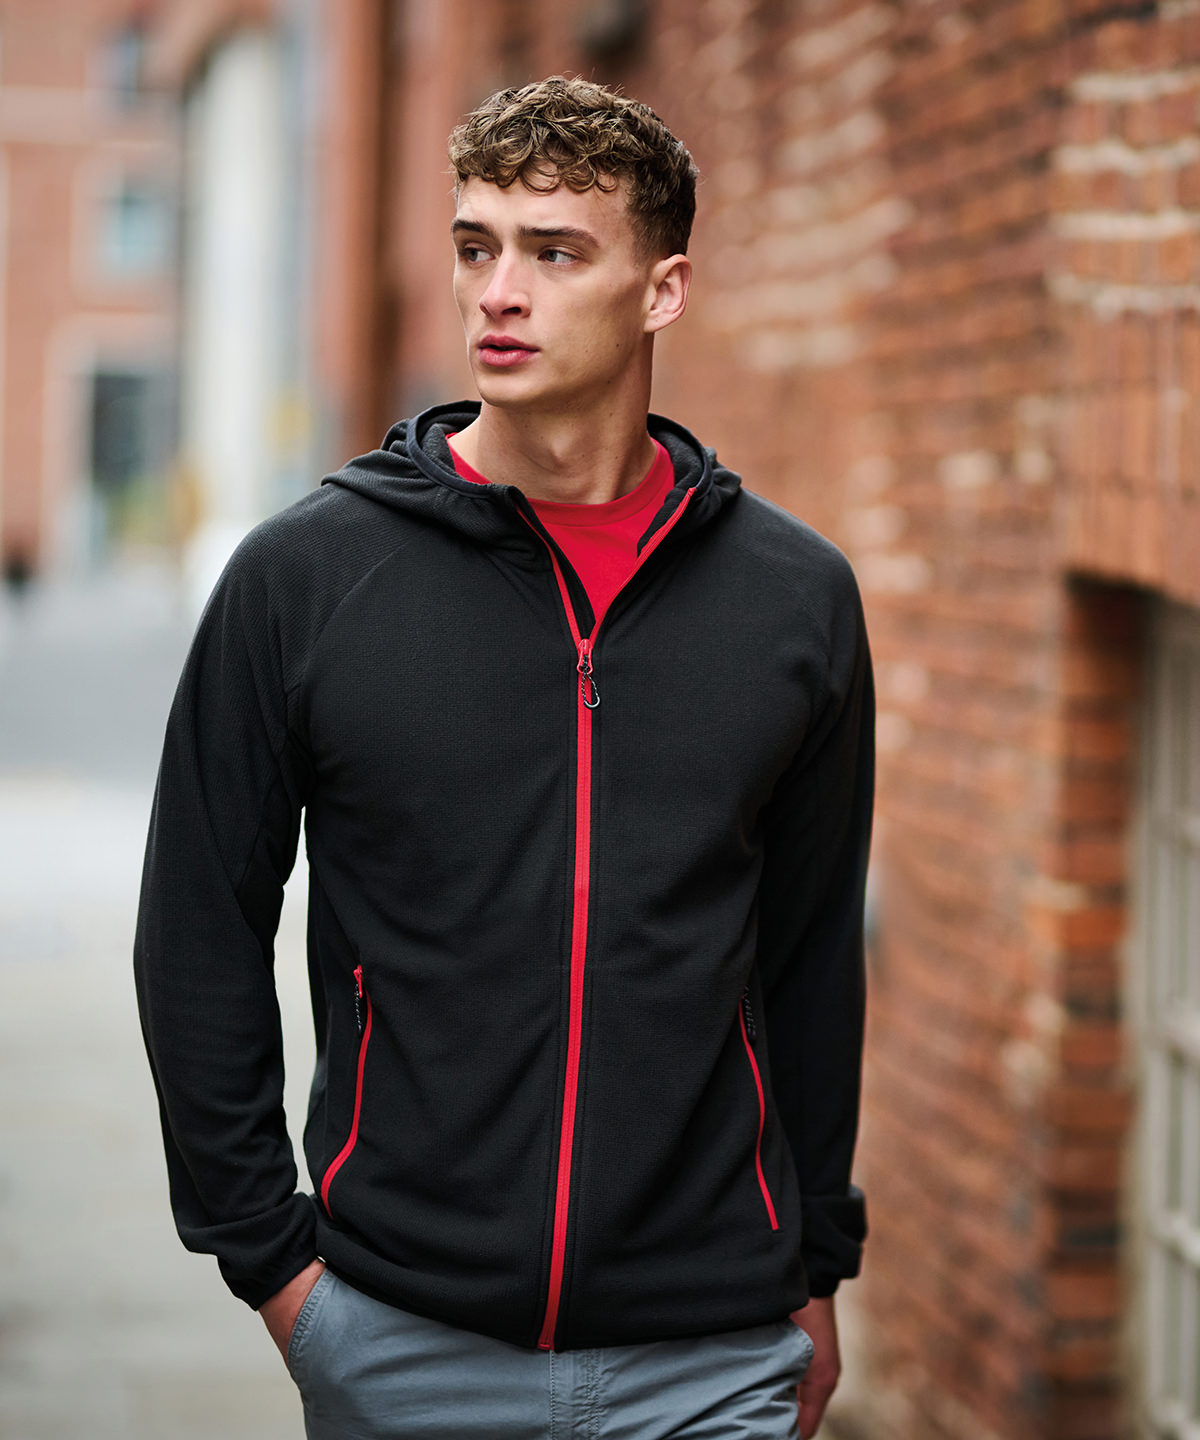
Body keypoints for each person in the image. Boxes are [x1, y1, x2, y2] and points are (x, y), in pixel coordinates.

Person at [134, 75, 874, 1440]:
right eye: (477, 246)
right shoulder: (307, 579)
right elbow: (196, 927)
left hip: (712, 1346)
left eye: (556, 252)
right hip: (402, 1336)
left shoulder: (793, 601)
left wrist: (817, 1262)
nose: (499, 293)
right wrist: (275, 1269)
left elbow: (810, 951)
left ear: (662, 290)